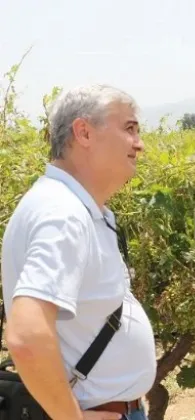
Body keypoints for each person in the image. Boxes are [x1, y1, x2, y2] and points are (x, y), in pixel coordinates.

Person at [0, 85, 157, 419]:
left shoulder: (69, 207)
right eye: (129, 128)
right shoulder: (63, 214)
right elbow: (26, 335)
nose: (139, 144)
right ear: (84, 132)